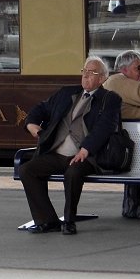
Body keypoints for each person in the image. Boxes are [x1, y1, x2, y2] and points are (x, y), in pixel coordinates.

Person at [18, 56, 121, 235]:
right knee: (27, 170)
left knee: (73, 173)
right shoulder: (67, 93)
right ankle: (47, 220)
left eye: (92, 72)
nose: (86, 76)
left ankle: (69, 220)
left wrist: (85, 149)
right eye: (84, 71)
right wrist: (31, 125)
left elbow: (105, 128)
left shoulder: (109, 99)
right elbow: (40, 108)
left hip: (87, 155)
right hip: (57, 153)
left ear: (103, 78)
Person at [102, 50, 140, 120]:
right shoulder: (117, 81)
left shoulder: (117, 81)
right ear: (124, 69)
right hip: (131, 128)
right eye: (138, 68)